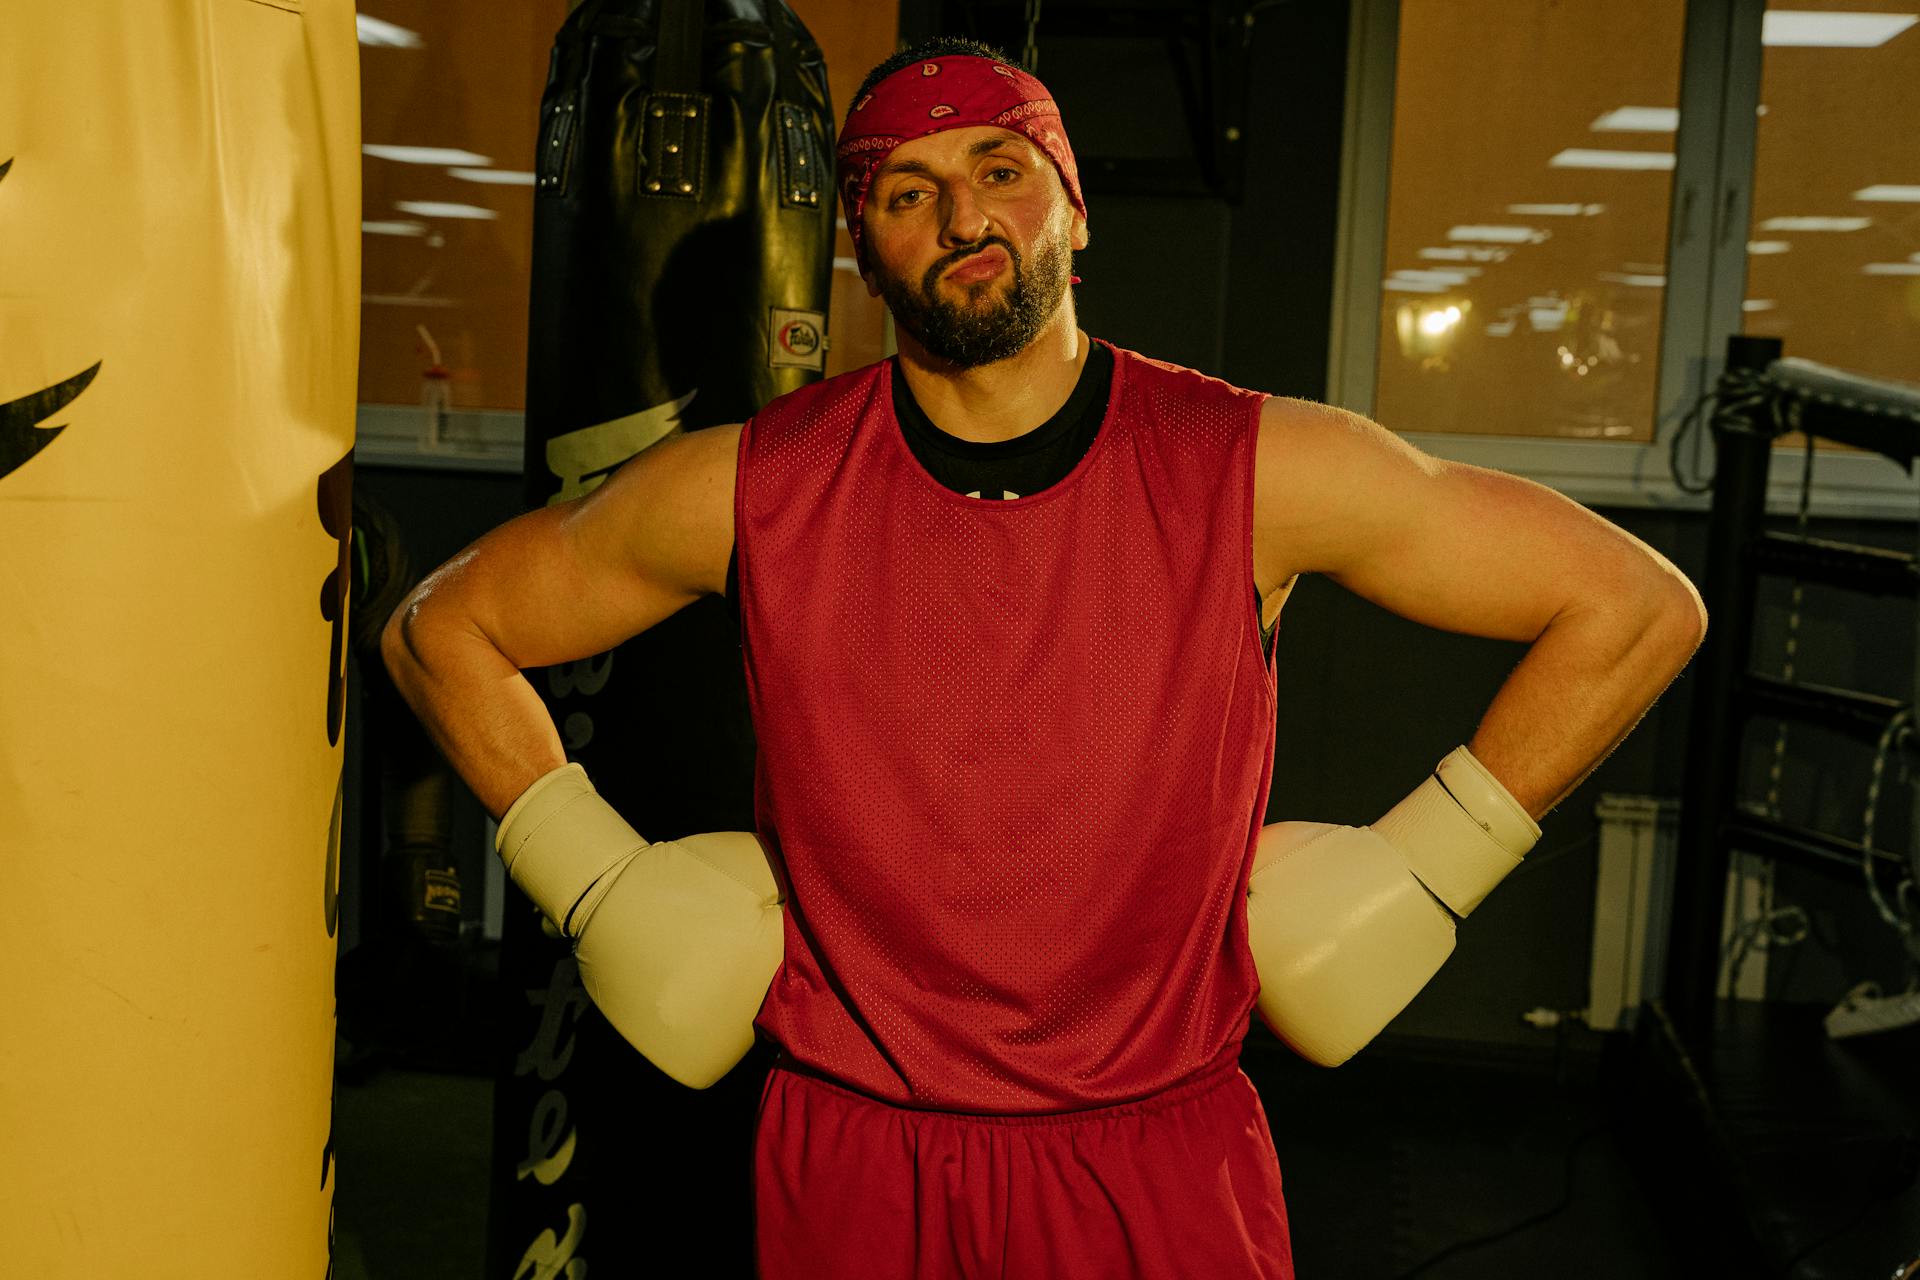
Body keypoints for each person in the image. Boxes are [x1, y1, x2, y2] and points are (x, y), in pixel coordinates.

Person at [383, 36, 1707, 1280]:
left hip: (1156, 1154)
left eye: (1000, 173)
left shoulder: (1254, 468)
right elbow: (442, 626)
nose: (963, 220)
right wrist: (595, 876)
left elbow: (1635, 605)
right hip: (857, 1154)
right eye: (907, 192)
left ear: (1074, 209)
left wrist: (1437, 854)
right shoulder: (748, 490)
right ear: (863, 248)